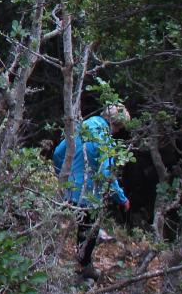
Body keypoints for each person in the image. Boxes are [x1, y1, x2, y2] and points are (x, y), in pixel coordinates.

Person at [53, 103, 131, 281]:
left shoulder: (83, 126)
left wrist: (63, 175)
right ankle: (84, 266)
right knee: (89, 230)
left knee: (60, 226)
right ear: (116, 125)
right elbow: (106, 173)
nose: (118, 132)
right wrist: (121, 198)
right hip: (88, 193)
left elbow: (58, 152)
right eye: (120, 128)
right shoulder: (105, 139)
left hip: (67, 190)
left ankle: (55, 260)